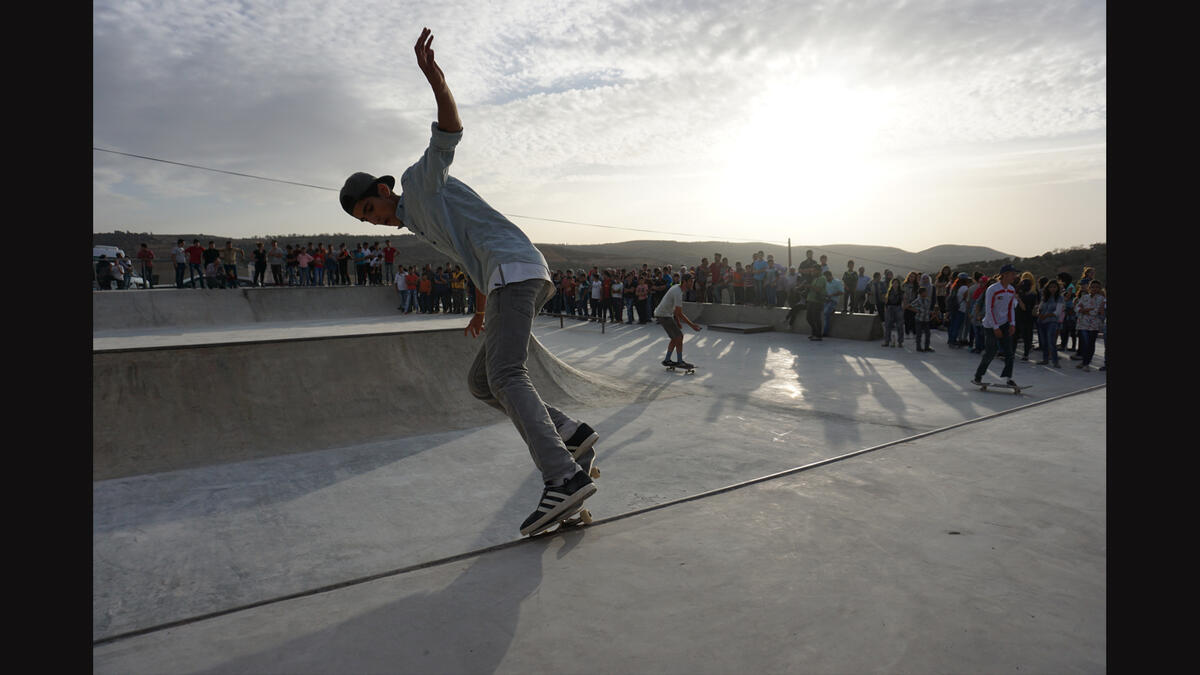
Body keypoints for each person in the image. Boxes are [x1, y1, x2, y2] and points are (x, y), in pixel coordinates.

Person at [340, 28, 599, 536]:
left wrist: (436, 79)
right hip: (506, 278)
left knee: (506, 376)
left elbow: (449, 132)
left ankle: (563, 475)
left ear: (383, 190)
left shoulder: (419, 182)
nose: (375, 221)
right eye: (366, 221)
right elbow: (472, 256)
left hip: (516, 273)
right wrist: (480, 309)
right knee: (482, 382)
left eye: (371, 209)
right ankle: (571, 432)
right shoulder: (418, 219)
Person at [972, 264, 1021, 387]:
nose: (1015, 276)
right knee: (991, 351)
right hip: (990, 325)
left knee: (1009, 353)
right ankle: (978, 376)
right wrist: (995, 327)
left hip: (1004, 324)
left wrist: (1012, 324)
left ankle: (1009, 377)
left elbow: (1010, 308)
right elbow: (989, 310)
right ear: (1004, 274)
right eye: (1012, 274)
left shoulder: (1011, 289)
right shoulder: (992, 289)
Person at [654, 273, 702, 368]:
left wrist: (678, 321)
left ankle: (667, 360)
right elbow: (679, 313)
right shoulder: (678, 292)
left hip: (664, 314)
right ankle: (680, 361)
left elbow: (676, 311)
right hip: (663, 315)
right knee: (679, 337)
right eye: (690, 281)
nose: (692, 283)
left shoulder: (678, 288)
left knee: (675, 338)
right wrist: (692, 325)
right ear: (684, 282)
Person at [1074, 279, 1106, 372]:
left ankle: (1086, 363)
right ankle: (1084, 361)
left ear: (1100, 288)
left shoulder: (1101, 299)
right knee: (1084, 343)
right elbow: (1077, 307)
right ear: (1089, 288)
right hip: (1082, 323)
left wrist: (1086, 310)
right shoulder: (1084, 297)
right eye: (1092, 287)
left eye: (1097, 287)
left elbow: (1097, 311)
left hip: (1094, 325)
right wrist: (1085, 310)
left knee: (1090, 344)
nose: (1094, 289)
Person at [1035, 279, 1065, 367]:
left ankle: (1055, 361)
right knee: (1044, 342)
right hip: (1041, 321)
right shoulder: (1044, 297)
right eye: (1051, 287)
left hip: (1052, 321)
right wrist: (1038, 312)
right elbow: (1040, 308)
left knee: (1051, 342)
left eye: (1054, 287)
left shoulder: (1060, 298)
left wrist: (1047, 315)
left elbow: (1058, 312)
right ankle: (1045, 359)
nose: (1052, 289)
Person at [908, 286, 934, 352]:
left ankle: (927, 347)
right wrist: (917, 310)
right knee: (919, 334)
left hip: (926, 319)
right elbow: (909, 306)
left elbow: (928, 309)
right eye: (925, 292)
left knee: (928, 334)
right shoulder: (917, 300)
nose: (926, 293)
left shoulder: (928, 300)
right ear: (921, 293)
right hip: (919, 319)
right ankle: (918, 347)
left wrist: (931, 312)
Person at [882, 277, 904, 347]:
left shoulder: (901, 292)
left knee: (899, 326)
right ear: (891, 284)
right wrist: (886, 308)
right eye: (894, 283)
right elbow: (886, 301)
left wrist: (903, 309)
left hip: (898, 308)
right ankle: (887, 341)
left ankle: (900, 342)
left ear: (898, 284)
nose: (895, 284)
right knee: (887, 325)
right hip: (889, 308)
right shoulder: (889, 291)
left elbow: (904, 300)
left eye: (896, 283)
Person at [821, 270, 843, 337]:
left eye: (826, 277)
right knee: (824, 315)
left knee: (826, 313)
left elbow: (841, 292)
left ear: (830, 276)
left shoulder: (837, 282)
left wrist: (831, 295)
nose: (826, 279)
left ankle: (825, 332)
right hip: (826, 301)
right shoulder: (826, 283)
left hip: (833, 301)